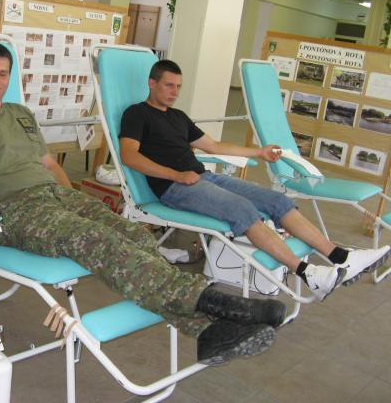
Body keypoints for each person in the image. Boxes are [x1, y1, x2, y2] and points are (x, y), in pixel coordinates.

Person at [0, 42, 281, 367]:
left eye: (2, 73)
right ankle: (216, 303)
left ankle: (207, 333)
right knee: (96, 239)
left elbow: (50, 164)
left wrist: (70, 197)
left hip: (58, 197)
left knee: (135, 235)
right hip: (15, 208)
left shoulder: (21, 113)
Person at [119, 59, 390, 301]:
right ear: (152, 83)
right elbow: (129, 156)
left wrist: (259, 152)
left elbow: (214, 146)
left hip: (204, 177)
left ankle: (341, 256)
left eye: (178, 86)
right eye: (169, 85)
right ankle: (309, 274)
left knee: (277, 200)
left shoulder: (178, 117)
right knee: (242, 209)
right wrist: (176, 175)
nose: (175, 92)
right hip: (174, 187)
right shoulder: (136, 114)